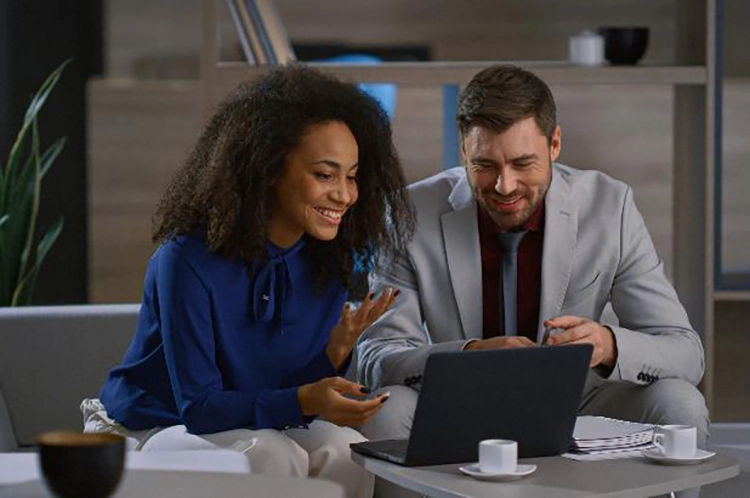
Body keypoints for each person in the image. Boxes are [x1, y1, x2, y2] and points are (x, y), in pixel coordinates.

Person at [357, 65, 708, 497]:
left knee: (680, 403)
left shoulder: (610, 206)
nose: (505, 186)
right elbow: (375, 358)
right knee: (385, 412)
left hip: (578, 402)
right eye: (484, 165)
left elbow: (686, 352)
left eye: (523, 163)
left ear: (555, 144)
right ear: (463, 152)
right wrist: (468, 356)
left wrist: (608, 345)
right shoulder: (409, 213)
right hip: (456, 406)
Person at [82, 65, 415, 498]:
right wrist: (305, 400)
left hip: (246, 424)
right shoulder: (186, 261)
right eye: (324, 174)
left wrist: (333, 353)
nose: (345, 195)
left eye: (351, 176)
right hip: (152, 426)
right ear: (270, 169)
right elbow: (199, 407)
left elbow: (276, 389)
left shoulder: (326, 263)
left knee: (345, 447)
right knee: (272, 455)